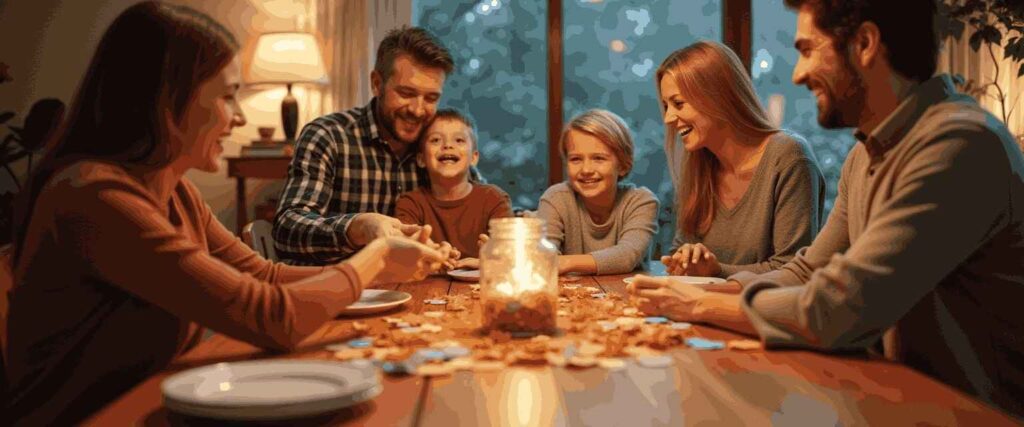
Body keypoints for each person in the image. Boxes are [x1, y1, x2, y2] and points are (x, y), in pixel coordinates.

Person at [1, 3, 444, 424]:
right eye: (228, 97)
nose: (237, 118)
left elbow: (265, 276)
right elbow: (272, 316)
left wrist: (380, 271)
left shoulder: (178, 192)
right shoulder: (94, 196)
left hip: (149, 400)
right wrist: (375, 257)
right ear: (169, 102)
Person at [631, 0, 1024, 418]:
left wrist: (696, 305)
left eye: (806, 50)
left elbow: (838, 308)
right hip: (891, 396)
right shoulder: (865, 154)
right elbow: (807, 270)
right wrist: (706, 289)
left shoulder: (959, 145)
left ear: (866, 44)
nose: (798, 74)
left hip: (970, 413)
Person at [274, 26, 461, 265]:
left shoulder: (438, 143)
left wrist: (504, 232)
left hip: (420, 291)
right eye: (406, 93)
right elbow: (287, 228)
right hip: (339, 292)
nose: (417, 110)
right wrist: (356, 228)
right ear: (376, 83)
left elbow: (483, 201)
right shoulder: (327, 135)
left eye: (431, 98)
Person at [657, 40, 825, 278]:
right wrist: (684, 259)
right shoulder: (698, 163)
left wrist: (716, 270)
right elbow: (679, 250)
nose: (668, 118)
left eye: (678, 103)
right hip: (700, 308)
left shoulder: (789, 156)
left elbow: (793, 270)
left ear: (716, 97)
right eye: (666, 106)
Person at [536, 109, 659, 275]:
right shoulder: (555, 199)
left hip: (628, 297)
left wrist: (566, 262)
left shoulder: (641, 201)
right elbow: (542, 257)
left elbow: (627, 255)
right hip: (572, 297)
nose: (586, 169)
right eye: (576, 159)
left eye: (599, 158)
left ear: (623, 165)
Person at [394, 109, 513, 267]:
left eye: (459, 140)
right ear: (421, 159)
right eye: (436, 140)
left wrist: (491, 260)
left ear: (474, 157)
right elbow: (404, 254)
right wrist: (434, 254)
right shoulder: (410, 204)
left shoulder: (495, 199)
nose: (448, 145)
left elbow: (512, 256)